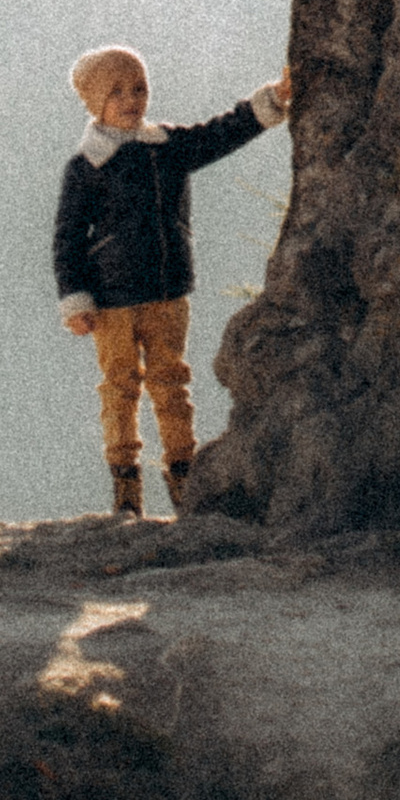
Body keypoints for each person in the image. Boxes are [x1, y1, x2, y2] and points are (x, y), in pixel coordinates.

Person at [54, 45, 290, 516]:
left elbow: (220, 133)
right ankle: (126, 487)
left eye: (138, 87)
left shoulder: (167, 148)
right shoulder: (86, 168)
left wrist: (273, 100)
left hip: (167, 293)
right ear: (94, 101)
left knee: (171, 382)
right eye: (116, 91)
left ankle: (185, 478)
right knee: (119, 388)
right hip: (112, 300)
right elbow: (67, 240)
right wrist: (76, 299)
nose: (130, 99)